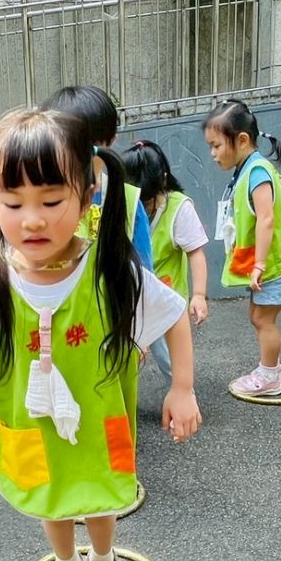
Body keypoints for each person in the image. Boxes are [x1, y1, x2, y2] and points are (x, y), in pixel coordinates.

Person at [0, 107, 202, 561]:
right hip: (32, 427)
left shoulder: (110, 271)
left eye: (51, 200)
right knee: (50, 499)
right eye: (13, 202)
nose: (32, 218)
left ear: (86, 196)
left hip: (98, 422)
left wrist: (183, 388)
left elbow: (173, 314)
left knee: (99, 496)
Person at [203, 98, 281, 396]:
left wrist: (259, 264)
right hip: (272, 261)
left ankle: (270, 375)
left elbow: (266, 219)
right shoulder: (247, 169)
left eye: (216, 145)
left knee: (263, 319)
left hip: (278, 262)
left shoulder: (257, 172)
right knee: (258, 317)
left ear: (242, 140)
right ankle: (272, 369)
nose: (212, 154)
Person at [121, 138, 209, 380]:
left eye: (147, 201)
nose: (141, 209)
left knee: (170, 359)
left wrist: (199, 295)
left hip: (167, 302)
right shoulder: (124, 205)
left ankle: (184, 390)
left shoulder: (179, 208)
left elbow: (195, 252)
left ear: (163, 182)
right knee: (125, 356)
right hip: (131, 298)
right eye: (136, 201)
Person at [40, 85, 154, 270]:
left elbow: (144, 274)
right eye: (67, 146)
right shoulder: (37, 200)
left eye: (87, 147)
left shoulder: (128, 201)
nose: (77, 157)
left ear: (111, 140)